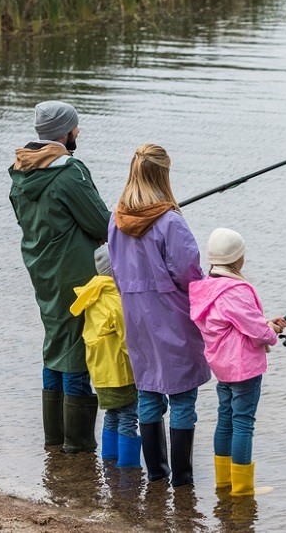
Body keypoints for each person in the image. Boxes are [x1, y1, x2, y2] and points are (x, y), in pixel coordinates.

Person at [9, 100, 111, 453]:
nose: (78, 131)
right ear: (64, 132)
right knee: (76, 350)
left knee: (55, 343)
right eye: (75, 127)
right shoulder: (70, 172)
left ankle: (55, 439)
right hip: (76, 273)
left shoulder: (20, 171)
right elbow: (102, 224)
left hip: (41, 269)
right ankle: (78, 445)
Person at [107, 143, 211, 487]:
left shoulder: (116, 219)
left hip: (136, 317)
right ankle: (182, 480)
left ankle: (156, 475)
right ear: (162, 174)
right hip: (172, 315)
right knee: (182, 397)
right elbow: (189, 274)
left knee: (148, 392)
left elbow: (116, 270)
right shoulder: (170, 222)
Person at [188, 228, 286, 496]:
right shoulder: (234, 291)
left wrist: (263, 325)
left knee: (226, 419)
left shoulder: (206, 288)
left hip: (222, 365)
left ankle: (224, 481)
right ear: (236, 258)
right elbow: (257, 332)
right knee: (243, 422)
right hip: (243, 367)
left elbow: (233, 324)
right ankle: (242, 487)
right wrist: (271, 331)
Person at [70, 245, 140, 468]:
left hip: (100, 372)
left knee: (112, 415)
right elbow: (128, 341)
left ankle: (109, 461)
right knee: (128, 417)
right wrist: (144, 365)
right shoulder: (116, 299)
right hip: (121, 373)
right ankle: (128, 468)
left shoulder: (93, 295)